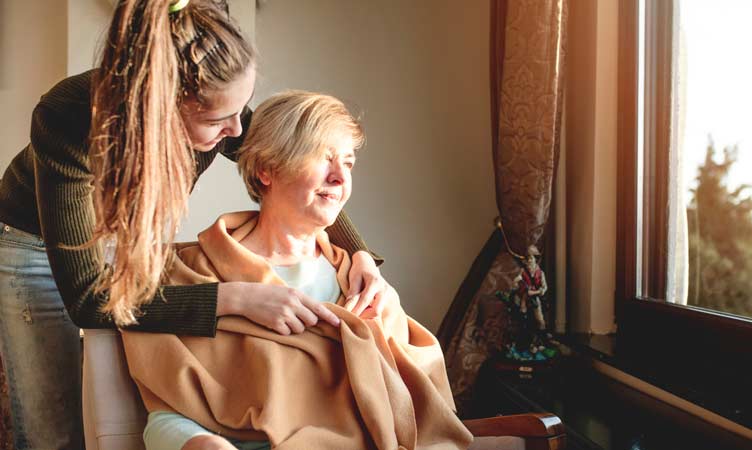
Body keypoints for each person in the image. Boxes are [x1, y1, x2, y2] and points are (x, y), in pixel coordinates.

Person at [0, 1, 387, 449]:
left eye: (241, 109)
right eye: (218, 120)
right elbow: (89, 300)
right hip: (32, 245)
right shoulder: (67, 118)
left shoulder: (223, 107)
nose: (238, 129)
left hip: (123, 242)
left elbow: (287, 164)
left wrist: (358, 251)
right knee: (56, 429)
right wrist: (238, 298)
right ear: (162, 107)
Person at [122, 90, 471, 450]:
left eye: (348, 163)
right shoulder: (194, 271)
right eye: (322, 157)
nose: (340, 177)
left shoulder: (360, 283)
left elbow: (420, 409)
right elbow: (168, 410)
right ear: (267, 170)